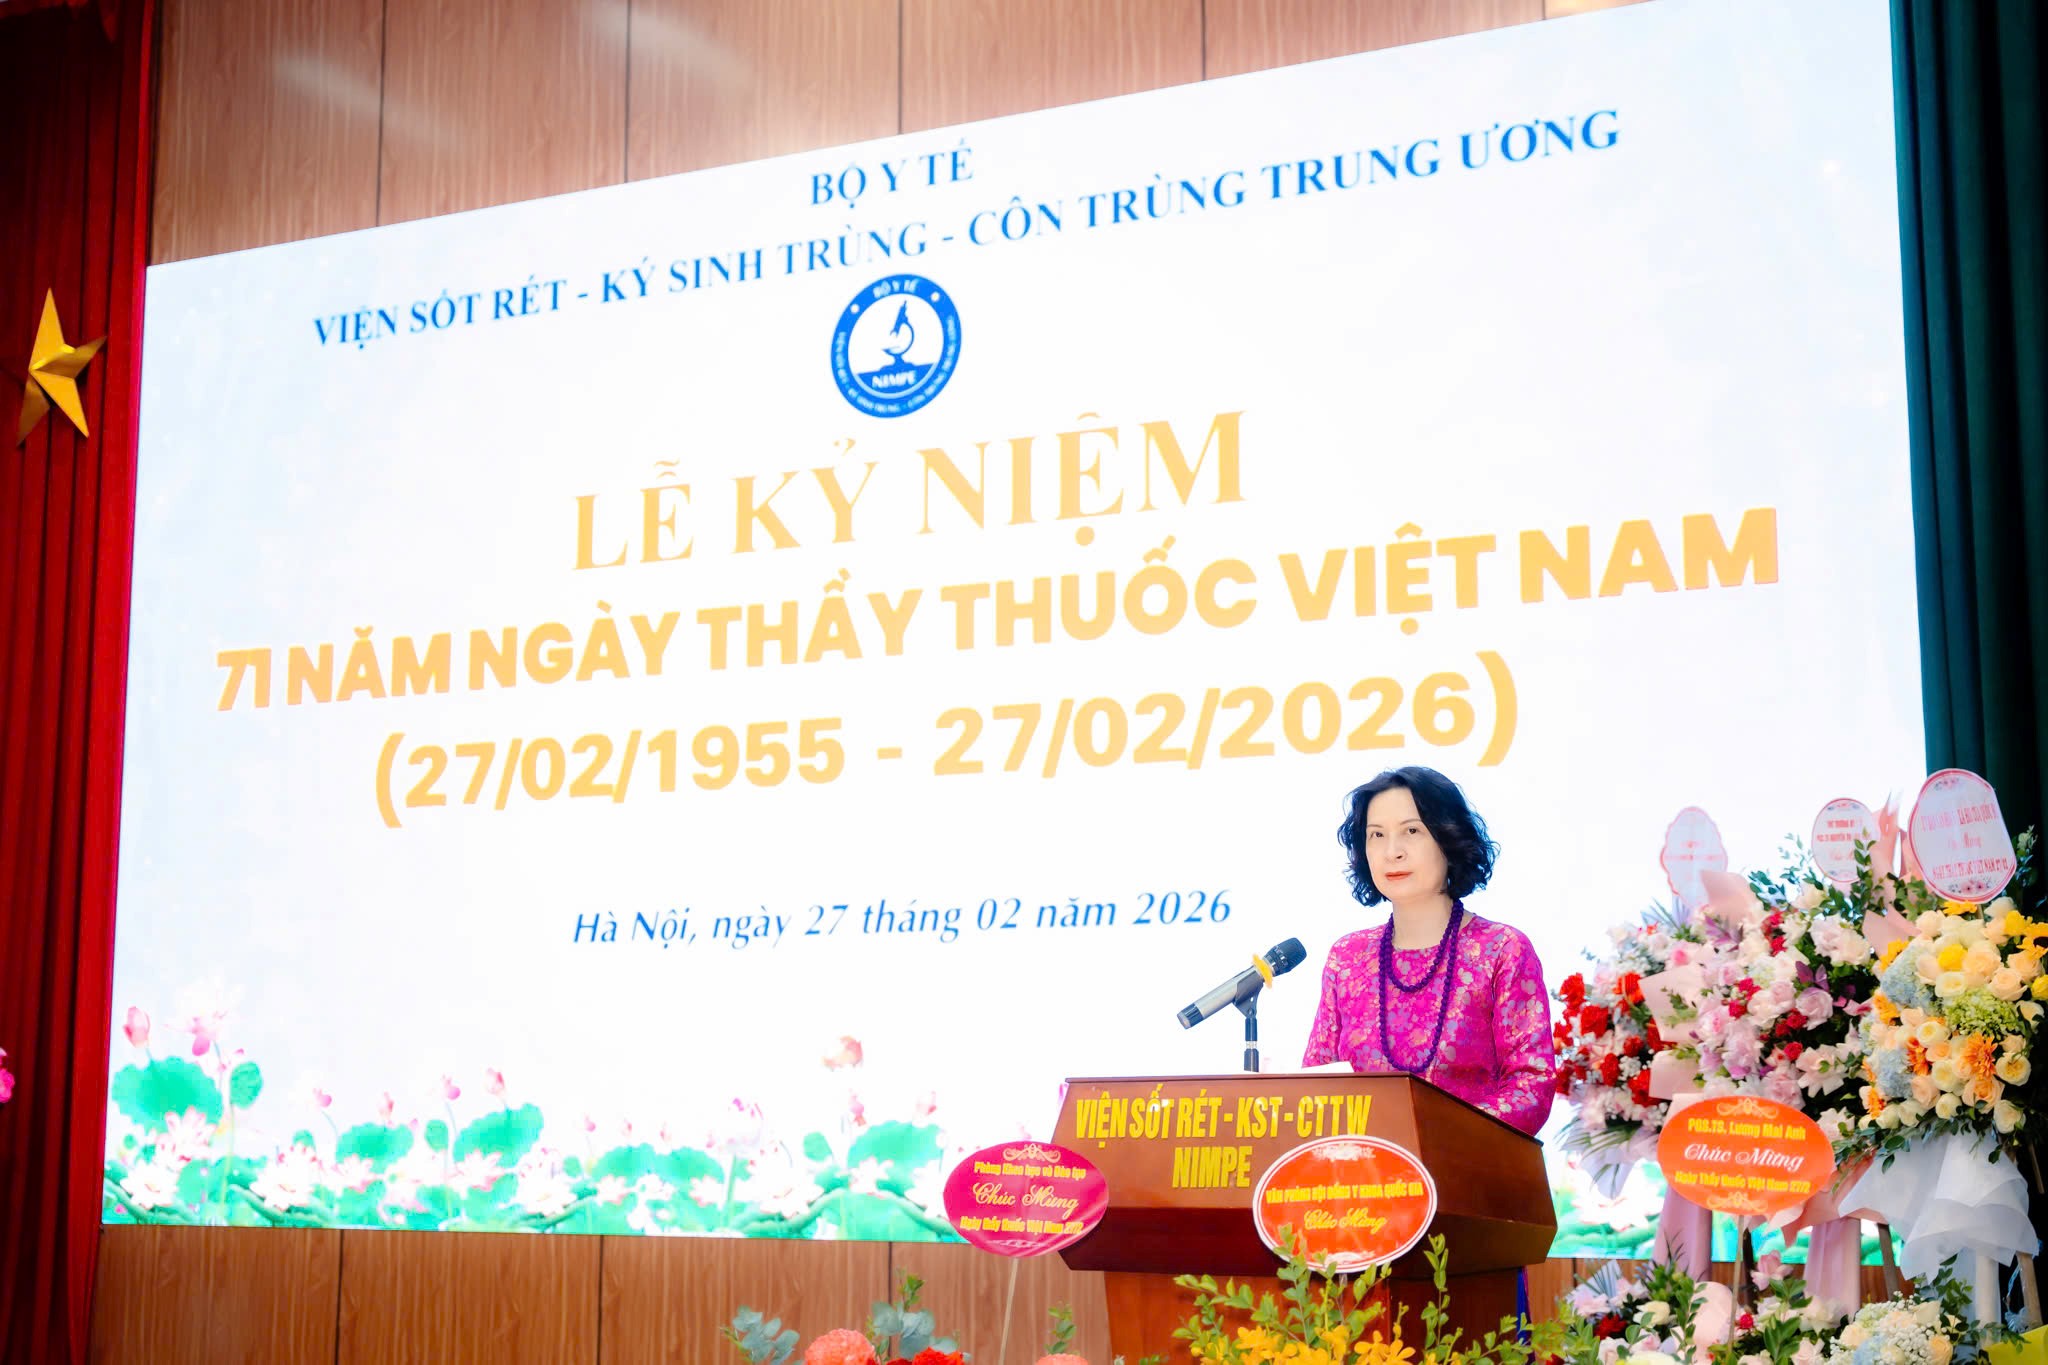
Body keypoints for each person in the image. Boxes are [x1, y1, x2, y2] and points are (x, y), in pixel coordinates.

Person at [1301, 766, 1555, 1136]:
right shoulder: (1347, 956)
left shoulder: (1501, 950)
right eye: (1377, 835)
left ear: (1448, 838)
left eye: (1412, 831)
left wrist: (1433, 1137)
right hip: (1363, 1166)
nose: (1392, 852)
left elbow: (1531, 1086)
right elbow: (1315, 1085)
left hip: (1467, 1163)